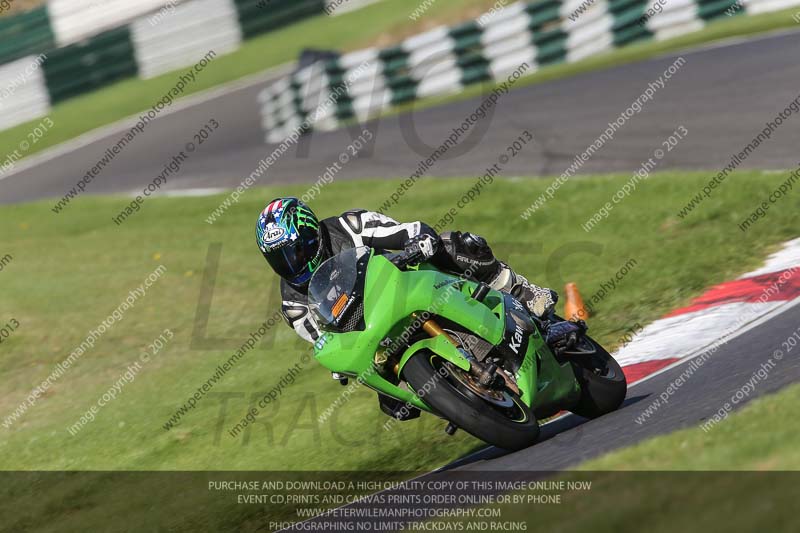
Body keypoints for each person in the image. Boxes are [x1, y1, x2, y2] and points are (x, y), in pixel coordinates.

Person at [256, 197, 584, 419]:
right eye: (280, 259)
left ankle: (523, 294)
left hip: (405, 284)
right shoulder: (293, 305)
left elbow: (405, 231)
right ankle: (459, 399)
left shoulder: (349, 226)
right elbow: (326, 342)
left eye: (296, 252)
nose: (292, 264)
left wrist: (417, 241)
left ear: (312, 234)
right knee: (393, 404)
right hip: (372, 335)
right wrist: (342, 366)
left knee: (456, 246)